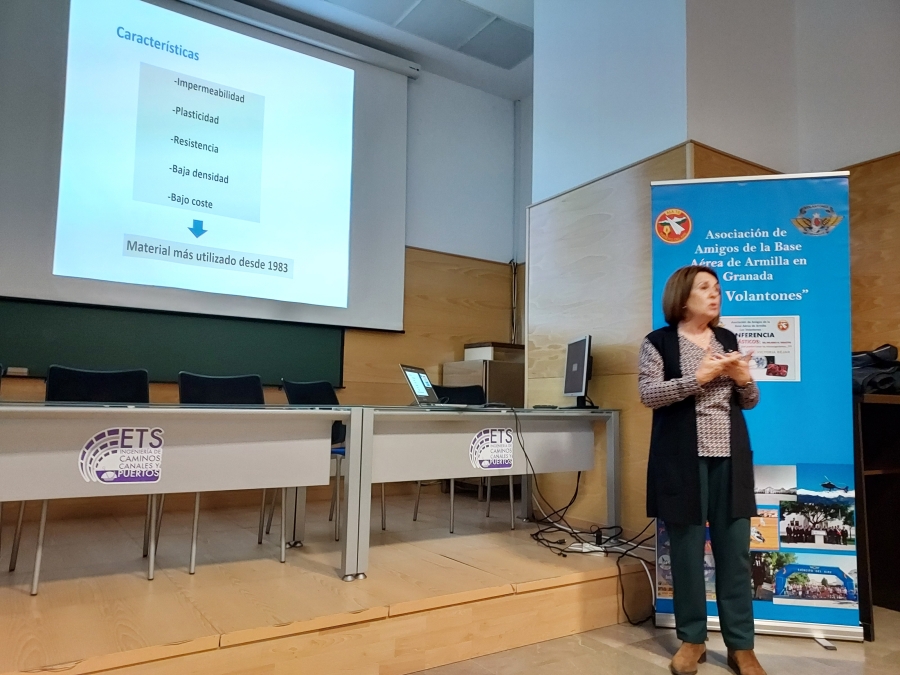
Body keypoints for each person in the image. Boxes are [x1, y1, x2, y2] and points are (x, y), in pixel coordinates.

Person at [639, 265, 766, 675]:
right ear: (682, 297)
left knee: (736, 554)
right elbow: (648, 395)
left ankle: (741, 646)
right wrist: (696, 378)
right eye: (705, 288)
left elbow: (749, 401)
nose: (715, 294)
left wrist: (744, 380)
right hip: (681, 462)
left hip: (730, 459)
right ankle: (692, 639)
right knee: (687, 554)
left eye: (717, 288)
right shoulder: (658, 342)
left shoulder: (726, 339)